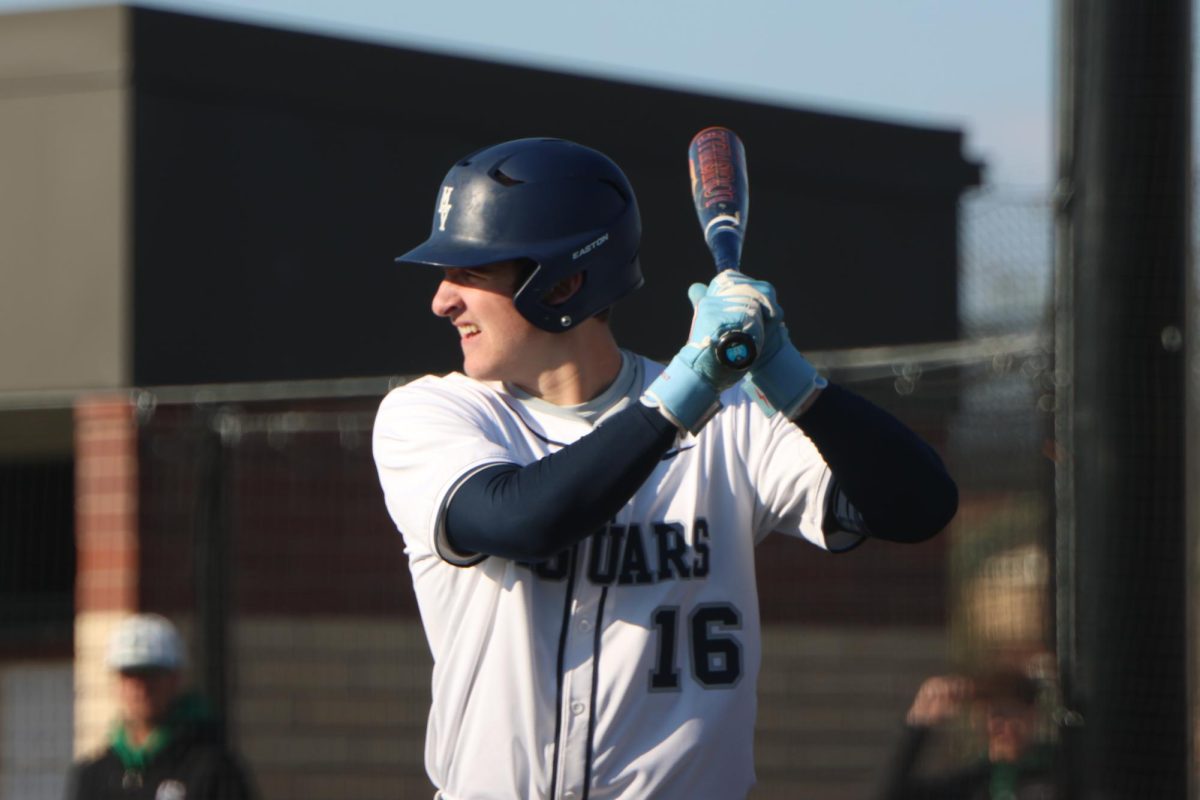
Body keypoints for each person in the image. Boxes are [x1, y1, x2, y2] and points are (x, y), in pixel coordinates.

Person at [372, 137, 959, 799]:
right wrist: (689, 385)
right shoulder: (431, 413)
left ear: (562, 283)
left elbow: (918, 507)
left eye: (471, 273)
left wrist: (794, 381)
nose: (442, 300)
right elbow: (524, 520)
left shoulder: (734, 421)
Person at [65, 613, 256, 800]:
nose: (140, 687)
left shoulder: (213, 771)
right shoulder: (95, 775)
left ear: (175, 679)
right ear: (117, 682)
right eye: (130, 675)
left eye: (151, 674)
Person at [876, 668, 1061, 800]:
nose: (1004, 727)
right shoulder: (972, 782)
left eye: (1013, 716)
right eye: (995, 718)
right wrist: (920, 722)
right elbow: (895, 793)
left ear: (1032, 715)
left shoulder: (1060, 768)